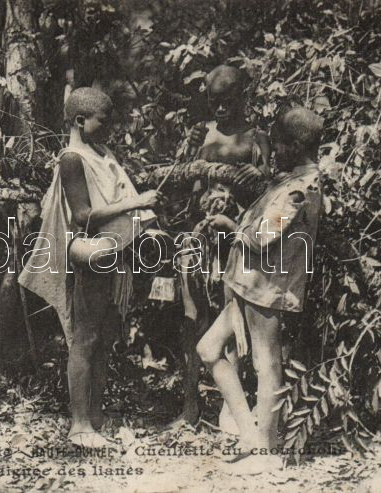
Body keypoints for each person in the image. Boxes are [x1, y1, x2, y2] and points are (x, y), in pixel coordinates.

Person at [18, 87, 159, 448]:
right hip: (91, 255)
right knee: (86, 337)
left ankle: (94, 417)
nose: (109, 128)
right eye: (103, 121)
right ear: (80, 121)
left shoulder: (103, 152)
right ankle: (79, 425)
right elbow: (82, 215)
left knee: (106, 337)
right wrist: (135, 202)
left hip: (117, 252)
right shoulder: (72, 158)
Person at [196, 107, 324, 474]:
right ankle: (252, 437)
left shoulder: (300, 188)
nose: (274, 150)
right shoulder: (292, 180)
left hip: (267, 286)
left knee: (266, 363)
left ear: (295, 145)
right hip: (250, 283)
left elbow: (263, 237)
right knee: (208, 349)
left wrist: (231, 227)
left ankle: (266, 453)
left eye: (279, 144)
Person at [172, 64, 272, 426]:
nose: (219, 109)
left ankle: (234, 408)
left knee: (236, 319)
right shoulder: (203, 134)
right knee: (193, 317)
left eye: (227, 100)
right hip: (202, 238)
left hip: (237, 240)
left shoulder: (257, 137)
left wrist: (258, 176)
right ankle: (190, 405)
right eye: (213, 101)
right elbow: (184, 183)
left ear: (243, 96)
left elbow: (271, 192)